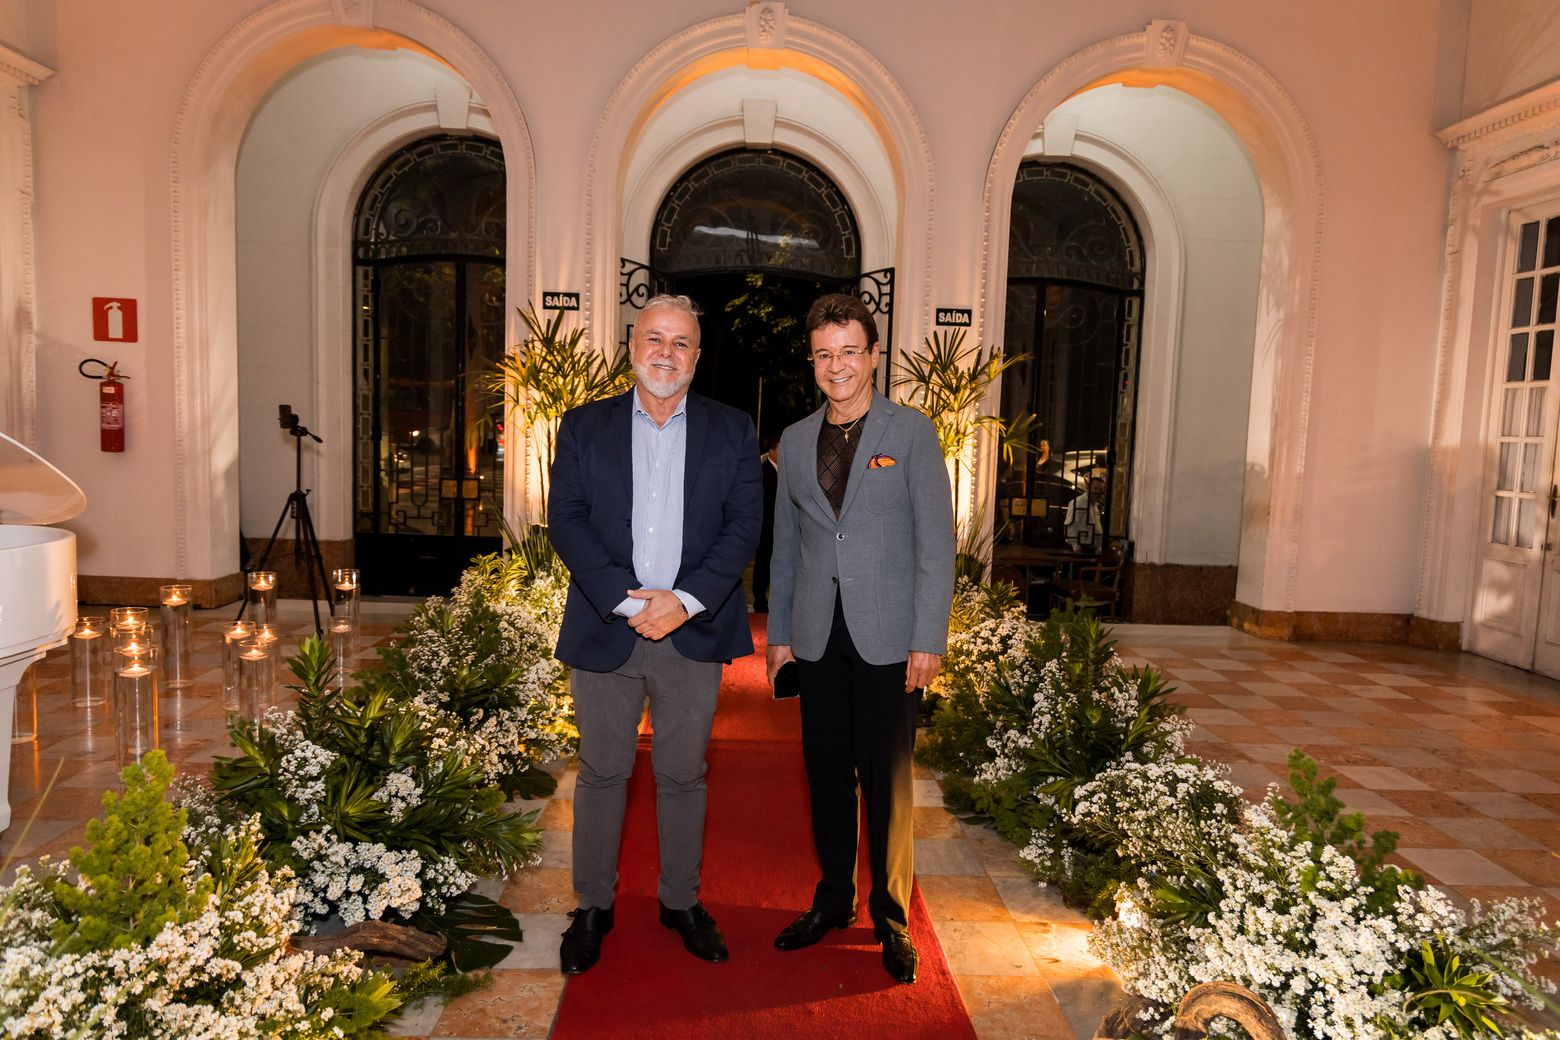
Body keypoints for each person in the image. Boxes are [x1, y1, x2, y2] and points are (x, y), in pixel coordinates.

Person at [548, 294, 762, 975]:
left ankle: (679, 902)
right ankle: (592, 907)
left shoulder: (733, 430)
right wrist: (623, 600)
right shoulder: (583, 426)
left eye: (681, 343)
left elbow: (742, 526)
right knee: (603, 774)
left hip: (690, 634)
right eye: (654, 339)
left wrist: (687, 601)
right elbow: (568, 520)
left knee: (682, 776)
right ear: (631, 346)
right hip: (608, 629)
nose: (666, 353)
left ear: (697, 358)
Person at [765, 293, 955, 984]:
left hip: (889, 640)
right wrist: (780, 632)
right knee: (825, 778)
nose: (837, 365)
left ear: (874, 355)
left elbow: (937, 542)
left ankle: (891, 915)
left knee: (889, 783)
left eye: (850, 351)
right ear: (811, 360)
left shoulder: (911, 433)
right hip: (817, 638)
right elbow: (785, 547)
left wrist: (928, 636)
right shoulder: (792, 439)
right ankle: (834, 900)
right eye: (824, 354)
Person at [752, 433, 780, 613]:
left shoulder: (788, 471)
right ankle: (760, 602)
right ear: (771, 451)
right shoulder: (761, 472)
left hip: (783, 530)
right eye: (780, 448)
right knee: (763, 566)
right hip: (765, 530)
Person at [1064, 474, 1106, 552]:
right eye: (1095, 488)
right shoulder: (1079, 502)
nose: (1097, 492)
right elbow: (1070, 526)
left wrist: (1098, 547)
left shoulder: (1095, 505)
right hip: (1081, 549)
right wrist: (1076, 547)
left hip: (1092, 549)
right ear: (1087, 488)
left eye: (1100, 490)